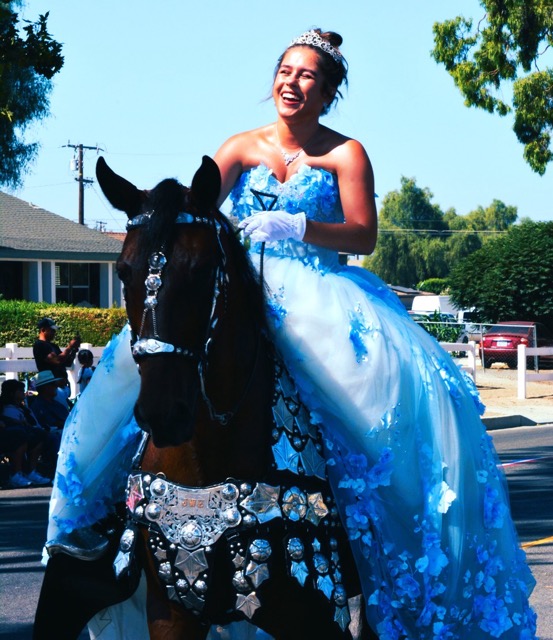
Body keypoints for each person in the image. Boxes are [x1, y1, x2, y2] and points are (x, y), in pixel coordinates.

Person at [42, 29, 537, 639]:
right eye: (285, 70)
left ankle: (374, 529)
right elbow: (196, 215)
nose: (291, 81)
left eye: (307, 75)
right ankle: (96, 531)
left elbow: (362, 235)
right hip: (241, 289)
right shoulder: (239, 147)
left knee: (384, 413)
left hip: (315, 297)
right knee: (129, 378)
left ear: (327, 92)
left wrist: (300, 224)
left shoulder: (345, 153)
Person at [0, 379, 52, 486]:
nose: (23, 392)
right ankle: (16, 474)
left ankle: (31, 471)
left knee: (39, 434)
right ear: (12, 393)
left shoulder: (23, 408)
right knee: (20, 434)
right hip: (8, 435)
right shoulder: (5, 408)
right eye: (20, 390)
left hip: (18, 433)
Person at [33, 317, 81, 401]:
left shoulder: (54, 346)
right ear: (43, 330)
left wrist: (73, 350)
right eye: (52, 330)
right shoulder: (39, 345)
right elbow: (57, 360)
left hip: (62, 387)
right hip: (52, 388)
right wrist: (70, 347)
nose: (54, 333)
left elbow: (67, 363)